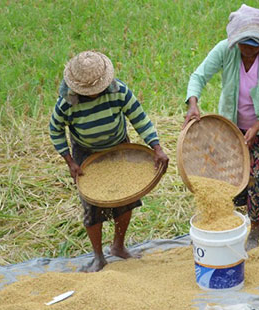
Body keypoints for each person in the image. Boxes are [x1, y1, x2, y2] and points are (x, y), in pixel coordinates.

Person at [49, 51, 169, 272]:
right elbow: (55, 130)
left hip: (119, 148)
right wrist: (70, 161)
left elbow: (139, 117)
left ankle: (118, 246)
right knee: (92, 206)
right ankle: (98, 256)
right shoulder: (67, 102)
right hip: (86, 154)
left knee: (125, 198)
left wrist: (157, 147)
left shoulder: (118, 90)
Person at [183, 4, 259, 250]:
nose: (248, 51)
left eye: (254, 47)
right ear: (236, 40)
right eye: (244, 45)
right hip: (231, 128)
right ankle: (229, 225)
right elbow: (198, 76)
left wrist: (256, 126)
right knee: (229, 179)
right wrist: (193, 103)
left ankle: (255, 231)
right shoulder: (225, 50)